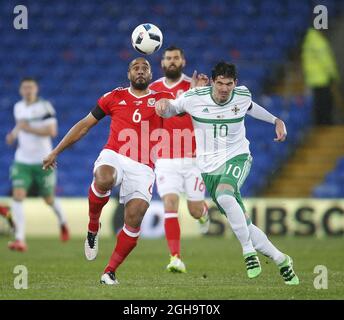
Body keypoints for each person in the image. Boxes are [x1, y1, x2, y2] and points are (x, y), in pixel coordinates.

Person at [155, 62, 299, 285]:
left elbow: (251, 107)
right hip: (209, 169)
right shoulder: (194, 97)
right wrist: (163, 105)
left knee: (224, 194)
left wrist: (276, 120)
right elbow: (171, 108)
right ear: (213, 82)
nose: (224, 89)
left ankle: (248, 253)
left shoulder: (241, 96)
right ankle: (282, 260)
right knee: (244, 224)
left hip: (237, 157)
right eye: (220, 83)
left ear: (236, 84)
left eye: (228, 84)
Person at [43, 58, 174, 285]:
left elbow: (179, 111)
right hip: (115, 154)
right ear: (129, 74)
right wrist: (56, 151)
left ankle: (109, 271)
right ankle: (93, 225)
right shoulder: (114, 97)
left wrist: (180, 101)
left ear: (151, 75)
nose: (140, 71)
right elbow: (84, 125)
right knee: (103, 178)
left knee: (135, 217)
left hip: (144, 166)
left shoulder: (161, 98)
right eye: (136, 68)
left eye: (145, 68)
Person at [149, 46, 209, 273]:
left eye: (176, 58)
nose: (172, 61)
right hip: (165, 158)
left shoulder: (196, 87)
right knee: (170, 204)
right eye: (168, 58)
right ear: (162, 63)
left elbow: (205, 112)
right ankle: (175, 258)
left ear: (183, 61)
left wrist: (200, 94)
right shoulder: (153, 89)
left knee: (194, 210)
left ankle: (203, 213)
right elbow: (160, 114)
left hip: (194, 158)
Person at [6, 77, 70, 251]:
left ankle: (63, 222)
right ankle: (20, 239)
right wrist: (14, 134)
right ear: (21, 90)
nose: (28, 90)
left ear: (36, 89)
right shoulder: (18, 107)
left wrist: (28, 128)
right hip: (22, 161)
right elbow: (20, 125)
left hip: (43, 160)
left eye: (31, 87)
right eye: (25, 87)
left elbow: (52, 131)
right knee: (18, 196)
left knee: (48, 199)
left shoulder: (44, 107)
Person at [301, 28, 340, 125]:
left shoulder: (308, 41)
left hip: (312, 79)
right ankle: (326, 124)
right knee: (326, 103)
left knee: (318, 104)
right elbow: (326, 61)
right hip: (322, 78)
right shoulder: (319, 41)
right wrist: (334, 75)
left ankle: (319, 124)